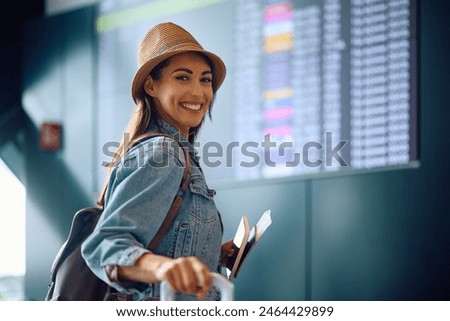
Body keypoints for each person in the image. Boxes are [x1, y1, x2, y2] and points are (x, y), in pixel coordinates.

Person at [81, 22, 233, 301]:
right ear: (151, 85)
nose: (199, 93)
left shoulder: (177, 153)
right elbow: (106, 245)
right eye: (183, 78)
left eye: (205, 79)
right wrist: (166, 267)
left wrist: (211, 253)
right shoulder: (163, 152)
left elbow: (165, 242)